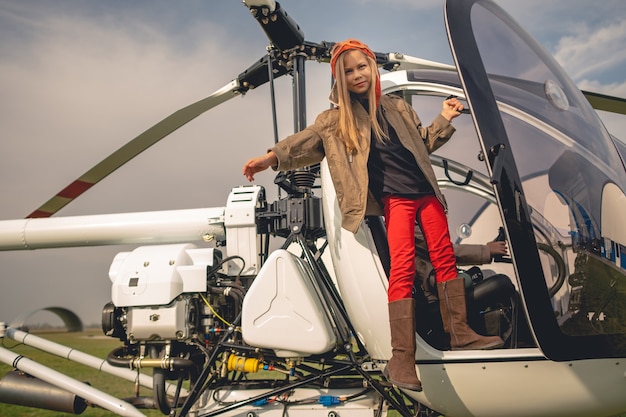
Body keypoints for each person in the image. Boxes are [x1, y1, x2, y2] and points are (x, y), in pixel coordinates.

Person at [242, 38, 502, 393]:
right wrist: (270, 158)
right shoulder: (335, 120)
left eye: (361, 67)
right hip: (397, 200)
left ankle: (461, 334)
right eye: (348, 71)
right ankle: (402, 356)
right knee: (403, 268)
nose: (357, 75)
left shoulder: (397, 108)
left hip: (427, 194)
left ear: (372, 67)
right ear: (340, 79)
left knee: (444, 260)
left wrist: (445, 118)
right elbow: (305, 141)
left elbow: (421, 143)